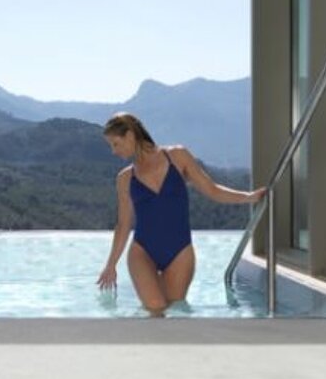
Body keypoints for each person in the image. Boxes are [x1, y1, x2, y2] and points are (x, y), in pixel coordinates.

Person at [97, 112, 265, 315]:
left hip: (180, 252)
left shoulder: (177, 156)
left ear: (130, 135)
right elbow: (123, 224)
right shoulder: (124, 179)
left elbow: (212, 190)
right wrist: (111, 264)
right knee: (156, 308)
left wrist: (249, 197)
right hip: (142, 251)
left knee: (175, 310)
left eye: (115, 144)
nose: (114, 151)